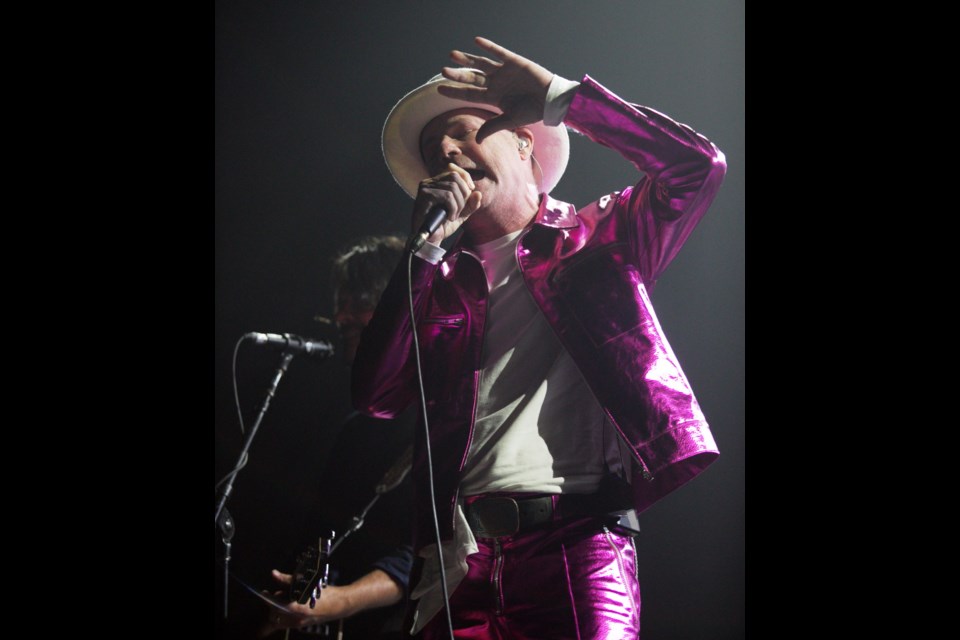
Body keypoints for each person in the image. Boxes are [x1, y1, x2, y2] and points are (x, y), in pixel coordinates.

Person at [351, 37, 726, 639]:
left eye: (463, 132)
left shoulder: (599, 236)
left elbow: (697, 168)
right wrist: (421, 252)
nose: (446, 151)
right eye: (433, 149)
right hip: (458, 562)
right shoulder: (438, 284)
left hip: (577, 548)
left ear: (524, 141)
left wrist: (563, 99)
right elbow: (375, 393)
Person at [258, 235, 417, 640]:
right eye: (341, 302)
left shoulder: (445, 421)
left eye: (360, 300)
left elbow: (427, 554)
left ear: (399, 308)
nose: (342, 316)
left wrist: (341, 601)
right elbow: (321, 533)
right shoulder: (356, 430)